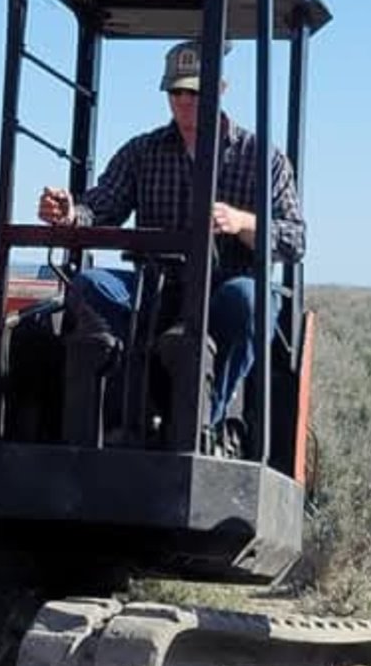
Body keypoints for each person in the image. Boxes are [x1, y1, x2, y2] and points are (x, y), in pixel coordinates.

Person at [37, 39, 305, 445]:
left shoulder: (262, 157)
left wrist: (240, 223)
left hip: (223, 290)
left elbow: (293, 239)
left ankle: (201, 423)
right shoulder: (143, 151)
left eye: (195, 92)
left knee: (251, 302)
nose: (184, 101)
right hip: (154, 289)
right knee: (90, 286)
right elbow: (101, 205)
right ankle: (125, 406)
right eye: (176, 92)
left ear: (220, 90)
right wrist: (69, 212)